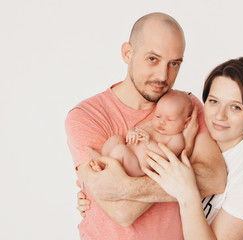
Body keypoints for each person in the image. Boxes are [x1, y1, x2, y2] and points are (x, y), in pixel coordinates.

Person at [65, 12, 227, 240]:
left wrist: (124, 187)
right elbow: (122, 212)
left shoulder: (185, 106)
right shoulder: (87, 116)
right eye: (153, 59)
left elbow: (214, 177)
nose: (163, 75)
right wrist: (183, 174)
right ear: (127, 53)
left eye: (174, 63)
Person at [143, 57, 243, 239]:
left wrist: (187, 193)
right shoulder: (191, 143)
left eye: (235, 107)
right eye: (214, 101)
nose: (220, 116)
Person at [89, 90, 194, 177]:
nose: (161, 122)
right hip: (127, 154)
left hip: (137, 167)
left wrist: (150, 142)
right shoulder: (151, 124)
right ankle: (103, 161)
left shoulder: (177, 139)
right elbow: (136, 129)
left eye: (170, 120)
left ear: (186, 122)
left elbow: (166, 158)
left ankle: (106, 171)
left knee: (120, 150)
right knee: (116, 139)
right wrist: (132, 132)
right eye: (158, 116)